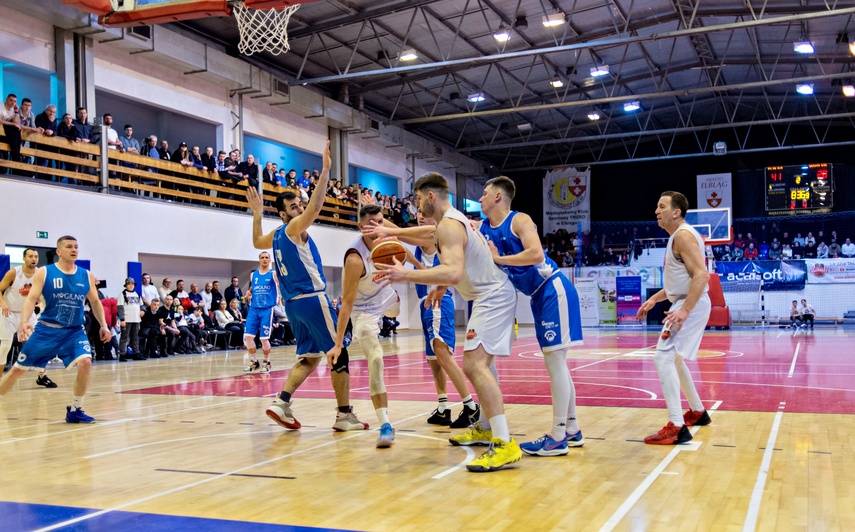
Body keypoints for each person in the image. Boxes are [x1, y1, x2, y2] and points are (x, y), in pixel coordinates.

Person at [373, 172, 522, 472]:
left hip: (492, 295)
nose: (415, 204)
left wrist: (407, 275)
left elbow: (453, 271)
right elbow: (430, 238)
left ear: (430, 197)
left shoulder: (451, 224)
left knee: (474, 365)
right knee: (484, 365)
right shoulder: (448, 224)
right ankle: (485, 427)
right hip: (485, 295)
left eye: (416, 198)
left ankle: (505, 444)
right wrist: (392, 232)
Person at [245, 140, 368, 433]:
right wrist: (325, 171)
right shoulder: (293, 228)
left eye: (299, 204)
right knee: (339, 353)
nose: (300, 209)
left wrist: (257, 215)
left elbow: (255, 242)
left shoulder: (276, 235)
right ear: (285, 215)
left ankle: (281, 402)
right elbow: (317, 205)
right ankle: (344, 415)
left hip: (293, 305)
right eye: (293, 207)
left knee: (310, 357)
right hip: (312, 300)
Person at [479, 176, 585, 456]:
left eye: (484, 193)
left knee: (555, 363)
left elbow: (537, 254)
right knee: (557, 363)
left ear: (499, 197)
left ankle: (557, 436)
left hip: (553, 288)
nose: (480, 198)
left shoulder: (519, 220)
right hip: (538, 296)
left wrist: (498, 259)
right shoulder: (483, 228)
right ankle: (572, 430)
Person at [327, 204, 421, 448]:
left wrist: (422, 269)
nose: (378, 227)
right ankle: (386, 424)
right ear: (360, 227)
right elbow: (346, 304)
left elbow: (404, 251)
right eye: (372, 223)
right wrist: (338, 344)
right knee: (376, 358)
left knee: (395, 307)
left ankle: (393, 308)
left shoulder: (387, 238)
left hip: (385, 296)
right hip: (362, 311)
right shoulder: (355, 258)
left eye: (381, 222)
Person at [0, 236, 110, 423]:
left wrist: (104, 325)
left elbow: (95, 301)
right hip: (46, 330)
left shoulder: (86, 275)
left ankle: (75, 409)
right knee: (17, 371)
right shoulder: (44, 272)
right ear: (58, 251)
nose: (74, 249)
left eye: (76, 246)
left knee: (86, 362)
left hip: (74, 331)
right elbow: (30, 298)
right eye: (69, 246)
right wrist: (24, 321)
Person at [636, 192, 711, 445]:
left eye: (662, 206)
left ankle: (676, 425)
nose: (656, 210)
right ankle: (698, 412)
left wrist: (685, 310)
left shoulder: (682, 236)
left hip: (692, 302)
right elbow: (680, 282)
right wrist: (655, 299)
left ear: (676, 212)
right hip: (687, 299)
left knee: (663, 356)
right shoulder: (678, 237)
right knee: (675, 360)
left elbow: (702, 276)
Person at [413, 213, 480, 428]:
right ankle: (443, 407)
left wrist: (378, 225)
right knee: (433, 360)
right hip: (426, 304)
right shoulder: (419, 245)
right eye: (418, 215)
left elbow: (407, 235)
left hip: (439, 303)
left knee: (443, 356)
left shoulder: (435, 237)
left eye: (425, 214)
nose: (420, 217)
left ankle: (470, 406)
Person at [0, 248, 57, 387]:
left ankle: (42, 376)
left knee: (39, 344)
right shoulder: (14, 272)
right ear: (24, 258)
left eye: (36, 257)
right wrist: (3, 304)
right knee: (6, 345)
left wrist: (41, 302)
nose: (34, 259)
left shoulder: (40, 274)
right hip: (9, 312)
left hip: (27, 313)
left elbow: (43, 293)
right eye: (30, 256)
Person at [243, 251, 278, 373]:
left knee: (263, 339)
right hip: (254, 308)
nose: (264, 259)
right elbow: (253, 287)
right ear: (259, 259)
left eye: (266, 258)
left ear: (269, 260)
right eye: (262, 257)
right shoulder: (254, 275)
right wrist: (249, 292)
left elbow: (281, 285)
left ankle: (267, 362)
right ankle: (253, 362)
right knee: (248, 337)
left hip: (267, 309)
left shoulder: (273, 274)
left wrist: (280, 295)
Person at [117, 277, 142, 361]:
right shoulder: (123, 294)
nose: (131, 286)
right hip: (127, 319)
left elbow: (141, 305)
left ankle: (136, 353)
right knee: (124, 337)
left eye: (132, 284)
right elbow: (120, 307)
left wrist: (143, 311)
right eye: (129, 284)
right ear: (126, 285)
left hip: (136, 319)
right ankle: (122, 354)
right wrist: (122, 319)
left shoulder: (137, 294)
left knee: (135, 337)